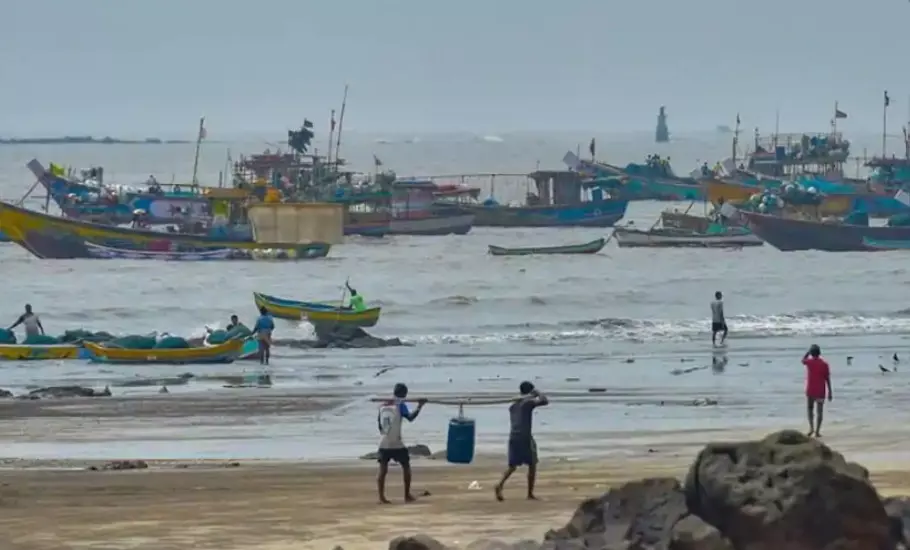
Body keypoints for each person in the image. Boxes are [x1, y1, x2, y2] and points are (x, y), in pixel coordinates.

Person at [494, 381, 548, 502]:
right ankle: (530, 494)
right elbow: (544, 400)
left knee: (512, 466)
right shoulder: (527, 403)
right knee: (532, 464)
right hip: (524, 437)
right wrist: (537, 392)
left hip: (513, 436)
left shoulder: (513, 405)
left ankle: (500, 484)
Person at [376, 383, 426, 504]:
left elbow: (380, 426)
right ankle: (406, 495)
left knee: (383, 470)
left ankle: (381, 497)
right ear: (404, 394)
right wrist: (420, 406)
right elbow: (410, 418)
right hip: (397, 443)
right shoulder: (401, 405)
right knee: (406, 467)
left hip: (384, 442)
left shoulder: (382, 406)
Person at [802, 344, 832, 437]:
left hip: (810, 390)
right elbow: (827, 378)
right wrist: (830, 391)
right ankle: (817, 431)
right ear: (819, 353)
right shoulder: (824, 364)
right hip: (820, 391)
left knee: (810, 409)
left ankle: (811, 428)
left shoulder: (809, 362)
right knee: (820, 412)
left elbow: (803, 360)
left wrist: (808, 352)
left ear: (811, 353)